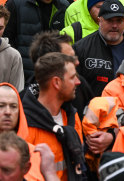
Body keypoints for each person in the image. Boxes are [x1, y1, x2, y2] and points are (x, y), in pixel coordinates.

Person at [22, 52, 86, 180]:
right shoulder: (25, 125)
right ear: (56, 82)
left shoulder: (71, 117)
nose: (78, 82)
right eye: (72, 77)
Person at [5, 0, 69, 80]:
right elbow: (8, 38)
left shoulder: (64, 6)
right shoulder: (16, 3)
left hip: (53, 72)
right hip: (23, 73)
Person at [73, 0, 124, 97]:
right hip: (96, 110)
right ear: (100, 20)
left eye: (119, 20)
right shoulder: (81, 48)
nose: (114, 25)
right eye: (109, 20)